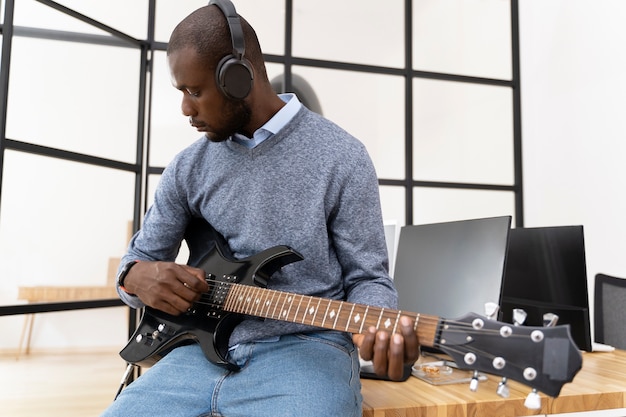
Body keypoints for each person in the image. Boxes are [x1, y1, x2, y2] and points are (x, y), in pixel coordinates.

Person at [101, 1, 419, 416]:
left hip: (306, 350)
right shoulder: (187, 167)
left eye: (194, 91)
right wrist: (135, 277)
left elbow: (368, 277)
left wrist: (377, 319)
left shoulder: (343, 157)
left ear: (238, 78)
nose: (185, 108)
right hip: (193, 356)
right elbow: (137, 263)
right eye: (181, 92)